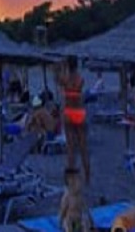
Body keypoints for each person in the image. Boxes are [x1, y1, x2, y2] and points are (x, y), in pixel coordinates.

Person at [58, 55, 90, 184]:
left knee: (71, 148)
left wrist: (63, 67)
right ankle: (87, 177)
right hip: (79, 111)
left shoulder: (65, 79)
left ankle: (70, 179)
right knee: (83, 146)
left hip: (68, 111)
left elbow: (58, 79)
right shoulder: (80, 79)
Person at [59, 168, 91, 232]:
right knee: (67, 223)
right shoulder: (67, 197)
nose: (81, 184)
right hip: (70, 221)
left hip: (78, 222)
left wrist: (90, 220)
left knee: (85, 222)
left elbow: (86, 209)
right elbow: (62, 211)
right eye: (79, 181)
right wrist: (60, 221)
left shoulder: (80, 196)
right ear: (71, 184)